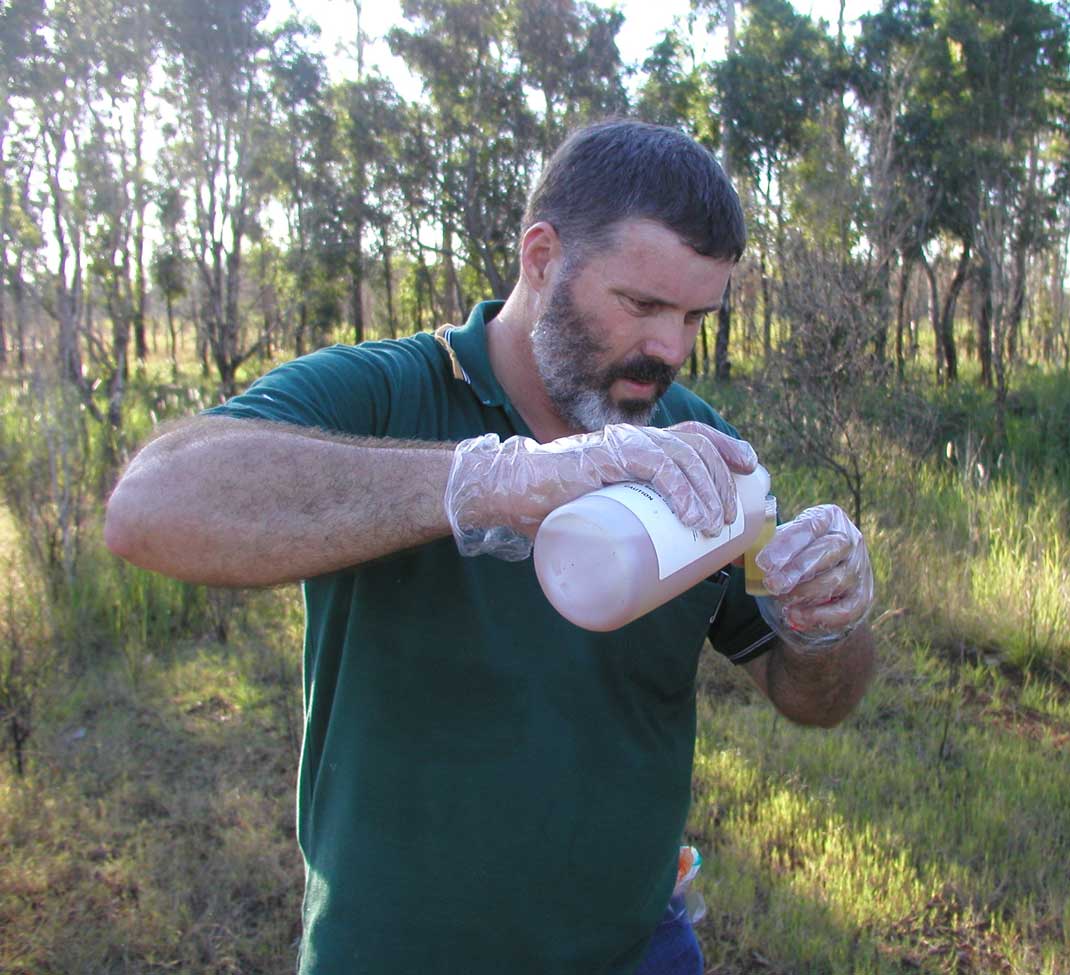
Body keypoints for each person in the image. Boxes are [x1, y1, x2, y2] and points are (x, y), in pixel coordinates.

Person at [104, 120, 875, 975]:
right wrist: (485, 483)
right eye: (643, 305)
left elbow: (809, 694)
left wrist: (827, 619)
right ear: (541, 258)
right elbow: (150, 505)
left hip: (636, 946)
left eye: (696, 313)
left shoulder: (692, 437)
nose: (672, 349)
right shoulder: (388, 392)